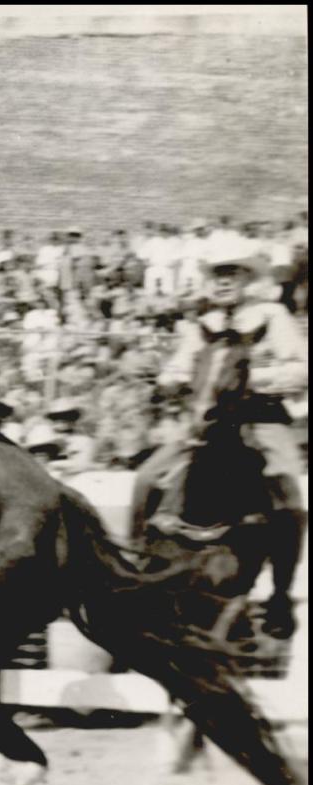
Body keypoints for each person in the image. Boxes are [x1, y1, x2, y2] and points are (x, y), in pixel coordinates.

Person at [147, 236, 307, 632]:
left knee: (288, 498)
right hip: (203, 421)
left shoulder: (272, 316)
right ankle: (138, 557)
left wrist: (254, 379)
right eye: (217, 274)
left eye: (231, 273)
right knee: (145, 478)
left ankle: (280, 595)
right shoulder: (203, 323)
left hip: (261, 418)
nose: (222, 281)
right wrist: (169, 380)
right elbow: (180, 367)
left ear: (248, 277)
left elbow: (301, 367)